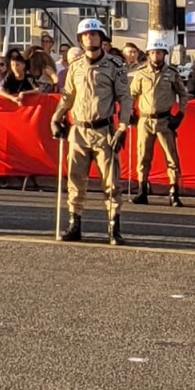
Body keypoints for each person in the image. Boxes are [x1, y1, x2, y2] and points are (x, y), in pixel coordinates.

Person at [52, 15, 133, 243]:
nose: (90, 38)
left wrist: (123, 127)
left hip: (104, 131)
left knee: (111, 182)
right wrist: (56, 117)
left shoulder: (115, 66)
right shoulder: (75, 67)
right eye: (86, 35)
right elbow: (67, 97)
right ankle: (74, 224)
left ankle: (113, 227)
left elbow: (125, 99)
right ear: (80, 39)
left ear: (101, 37)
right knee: (75, 180)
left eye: (94, 34)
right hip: (78, 131)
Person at [129, 31, 187, 207]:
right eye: (153, 52)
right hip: (145, 120)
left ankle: (174, 192)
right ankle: (142, 190)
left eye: (159, 52)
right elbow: (132, 93)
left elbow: (183, 94)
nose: (156, 55)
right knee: (143, 156)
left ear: (165, 54)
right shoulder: (140, 73)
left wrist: (180, 114)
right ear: (148, 54)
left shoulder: (172, 73)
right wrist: (130, 111)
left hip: (165, 120)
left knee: (171, 157)